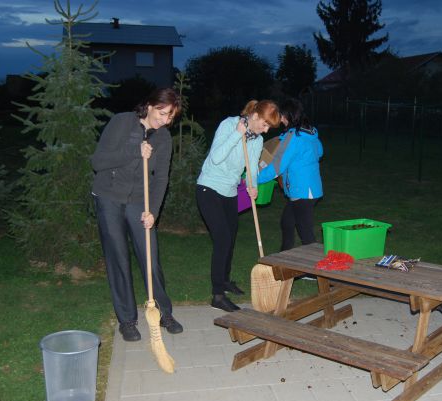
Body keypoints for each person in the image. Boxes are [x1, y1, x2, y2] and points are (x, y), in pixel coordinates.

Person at [91, 88, 184, 342]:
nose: (165, 120)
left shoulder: (164, 138)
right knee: (118, 258)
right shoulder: (121, 122)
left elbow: (161, 178)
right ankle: (127, 320)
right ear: (150, 105)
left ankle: (164, 313)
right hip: (109, 197)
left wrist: (153, 211)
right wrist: (135, 151)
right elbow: (98, 162)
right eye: (162, 113)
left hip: (139, 201)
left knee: (150, 257)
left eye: (170, 117)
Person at [196, 100, 281, 312]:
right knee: (223, 237)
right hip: (209, 187)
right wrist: (237, 134)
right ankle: (217, 295)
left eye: (269, 127)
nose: (266, 129)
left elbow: (251, 165)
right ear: (254, 116)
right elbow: (215, 158)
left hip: (230, 190)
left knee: (230, 236)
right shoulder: (229, 124)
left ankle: (224, 280)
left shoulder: (257, 140)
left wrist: (252, 185)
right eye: (265, 124)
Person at [258, 98, 323, 251]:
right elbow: (320, 151)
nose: (279, 118)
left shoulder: (292, 137)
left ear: (286, 116)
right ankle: (285, 258)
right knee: (287, 222)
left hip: (302, 191)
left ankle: (315, 272)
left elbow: (276, 166)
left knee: (305, 232)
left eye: (280, 114)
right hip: (310, 189)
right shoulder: (310, 132)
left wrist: (254, 179)